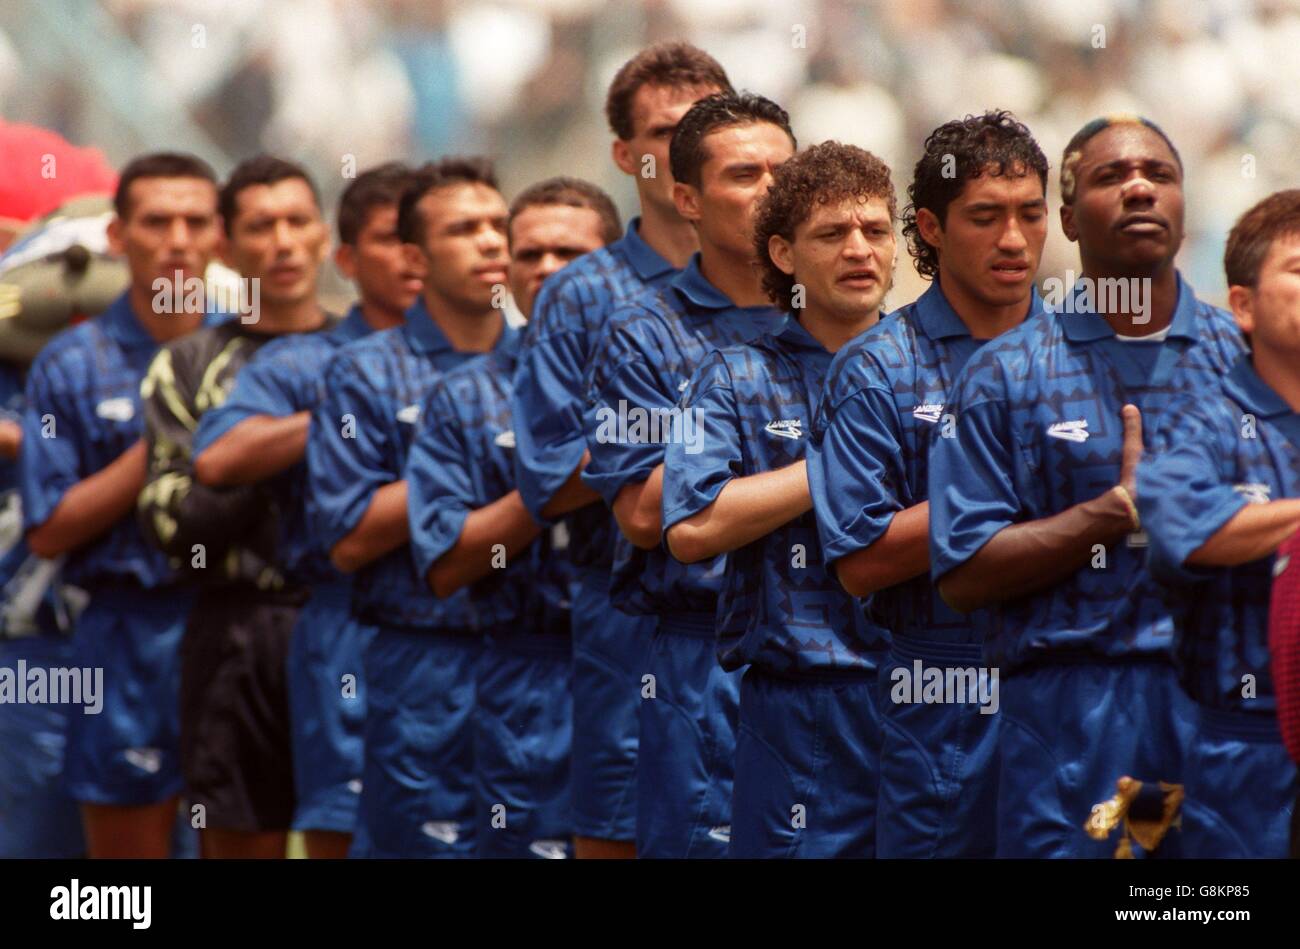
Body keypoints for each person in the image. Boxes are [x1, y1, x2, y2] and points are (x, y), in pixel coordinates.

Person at [928, 116, 1245, 857]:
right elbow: (963, 575)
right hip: (1070, 713)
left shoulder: (1249, 358)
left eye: (1159, 175)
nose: (1139, 188)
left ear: (1183, 204)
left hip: (1222, 708)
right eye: (1110, 176)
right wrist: (1113, 513)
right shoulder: (1004, 373)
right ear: (1067, 220)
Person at [509, 41, 731, 859]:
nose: (685, 145)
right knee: (617, 832)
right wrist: (679, 458)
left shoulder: (786, 279)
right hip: (632, 617)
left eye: (704, 125)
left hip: (776, 614)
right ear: (624, 154)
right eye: (665, 129)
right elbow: (546, 475)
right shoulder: (582, 294)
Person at [809, 112, 1049, 857]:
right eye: (985, 216)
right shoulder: (878, 367)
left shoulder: (1087, 355)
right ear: (931, 228)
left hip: (1074, 680)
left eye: (1030, 214)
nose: (1012, 239)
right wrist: (1009, 483)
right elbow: (861, 561)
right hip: (941, 689)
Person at [663, 142, 896, 857]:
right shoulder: (735, 375)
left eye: (877, 231)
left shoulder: (942, 371)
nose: (859, 249)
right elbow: (692, 526)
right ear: (784, 253)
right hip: (800, 703)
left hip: (930, 690)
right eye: (832, 233)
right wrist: (833, 465)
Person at [582, 92, 794, 857]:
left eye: (785, 170)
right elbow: (643, 513)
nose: (771, 189)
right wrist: (818, 474)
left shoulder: (846, 324)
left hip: (841, 651)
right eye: (744, 174)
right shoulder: (643, 330)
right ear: (687, 199)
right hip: (704, 655)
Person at [190, 163, 422, 858]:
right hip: (334, 622)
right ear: (346, 256)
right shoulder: (302, 363)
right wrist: (351, 407)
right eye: (393, 239)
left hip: (479, 634)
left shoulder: (502, 357)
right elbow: (219, 458)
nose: (415, 255)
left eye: (429, 236)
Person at [408, 176, 619, 859]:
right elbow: (444, 563)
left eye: (569, 252)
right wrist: (564, 476)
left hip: (649, 662)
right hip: (525, 675)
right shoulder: (465, 394)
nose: (547, 269)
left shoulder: (670, 372)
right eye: (528, 254)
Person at [308, 157, 512, 858]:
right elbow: (346, 538)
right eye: (464, 228)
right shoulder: (364, 369)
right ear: (418, 257)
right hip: (421, 659)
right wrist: (461, 464)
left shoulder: (549, 367)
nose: (490, 242)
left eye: (497, 225)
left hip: (542, 657)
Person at [20, 152, 221, 857]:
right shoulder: (75, 361)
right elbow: (49, 531)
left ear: (219, 238)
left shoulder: (252, 350)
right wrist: (160, 442)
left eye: (195, 221)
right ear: (116, 236)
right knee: (125, 870)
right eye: (156, 220)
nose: (177, 240)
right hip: (121, 631)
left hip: (235, 627)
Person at [138, 155, 335, 859]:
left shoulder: (372, 353)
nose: (281, 242)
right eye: (260, 226)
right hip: (236, 631)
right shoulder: (188, 367)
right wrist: (276, 447)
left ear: (323, 234)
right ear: (226, 245)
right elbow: (173, 522)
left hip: (352, 623)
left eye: (296, 221)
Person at [1140, 189, 1300, 857]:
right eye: (1299, 268)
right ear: (1242, 305)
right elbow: (1189, 531)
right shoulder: (1201, 417)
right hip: (1243, 741)